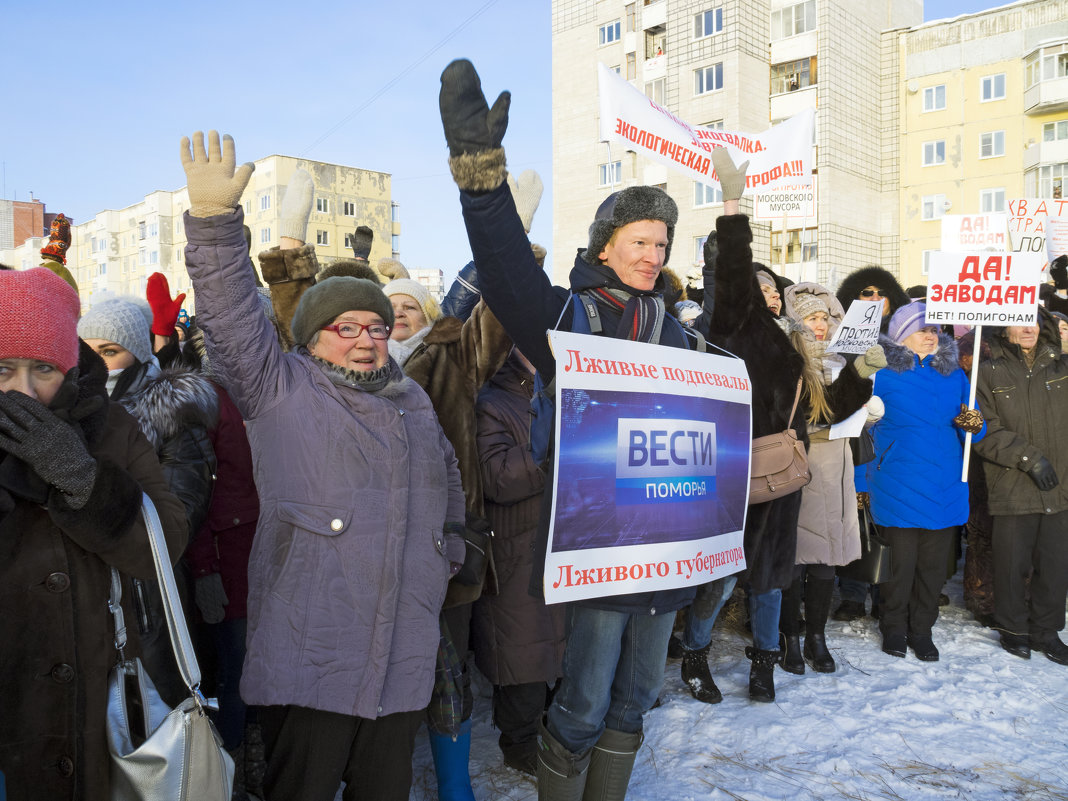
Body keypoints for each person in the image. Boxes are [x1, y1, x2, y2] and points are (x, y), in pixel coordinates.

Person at [439, 59, 706, 799]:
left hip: (665, 540)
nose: (652, 256)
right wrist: (482, 183)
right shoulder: (570, 314)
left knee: (635, 698)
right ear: (606, 242)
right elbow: (504, 274)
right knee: (585, 700)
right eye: (639, 241)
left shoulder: (676, 332)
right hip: (595, 541)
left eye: (662, 244)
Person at [178, 130, 466, 801]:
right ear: (311, 338)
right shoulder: (281, 387)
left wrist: (446, 546)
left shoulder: (413, 397)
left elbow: (446, 474)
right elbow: (231, 317)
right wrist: (217, 224)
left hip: (401, 653)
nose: (367, 340)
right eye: (347, 328)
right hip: (313, 656)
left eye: (375, 327)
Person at [0, 267, 187, 801]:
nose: (25, 391)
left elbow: (166, 541)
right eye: (3, 369)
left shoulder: (110, 426)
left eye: (43, 368)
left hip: (91, 692)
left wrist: (83, 479)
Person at [682, 154, 808, 706]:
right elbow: (732, 274)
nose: (768, 292)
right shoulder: (737, 326)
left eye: (772, 285)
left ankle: (764, 664)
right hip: (732, 470)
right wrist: (732, 207)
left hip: (783, 473)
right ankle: (695, 653)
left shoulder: (791, 339)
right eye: (758, 286)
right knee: (723, 574)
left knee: (772, 577)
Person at [867, 302, 985, 661]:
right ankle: (894, 628)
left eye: (934, 330)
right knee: (898, 568)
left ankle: (922, 629)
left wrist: (974, 427)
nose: (931, 336)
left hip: (945, 484)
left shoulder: (956, 375)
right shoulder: (880, 373)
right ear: (902, 335)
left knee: (933, 571)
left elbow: (975, 429)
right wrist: (859, 483)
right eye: (922, 330)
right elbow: (859, 431)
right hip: (896, 483)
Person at [776, 283, 880, 675]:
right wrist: (857, 381)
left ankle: (816, 637)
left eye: (824, 317)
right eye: (811, 318)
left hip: (836, 465)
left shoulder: (839, 357)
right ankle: (789, 637)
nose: (819, 325)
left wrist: (865, 404)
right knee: (795, 560)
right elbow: (806, 410)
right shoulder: (787, 358)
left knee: (826, 559)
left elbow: (841, 408)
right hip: (800, 466)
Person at [472, 347, 566, 776]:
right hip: (516, 549)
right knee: (522, 652)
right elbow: (495, 477)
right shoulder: (492, 399)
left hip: (565, 541)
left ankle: (552, 728)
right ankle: (520, 741)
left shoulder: (573, 389)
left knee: (564, 647)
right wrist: (553, 451)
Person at [972, 312, 1068, 665]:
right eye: (1020, 322)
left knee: (1055, 565)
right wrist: (1029, 459)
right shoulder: (986, 372)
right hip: (1012, 483)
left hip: (1060, 485)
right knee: (1011, 564)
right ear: (1004, 328)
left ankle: (1047, 631)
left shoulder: (1062, 367)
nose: (1028, 329)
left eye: (1034, 322)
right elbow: (983, 430)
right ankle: (1013, 630)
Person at [833, 265, 911, 621]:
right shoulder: (840, 341)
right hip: (854, 440)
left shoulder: (908, 342)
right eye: (866, 292)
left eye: (881, 293)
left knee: (888, 523)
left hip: (895, 445)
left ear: (893, 300)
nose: (874, 299)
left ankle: (886, 592)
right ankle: (852, 593)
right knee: (855, 518)